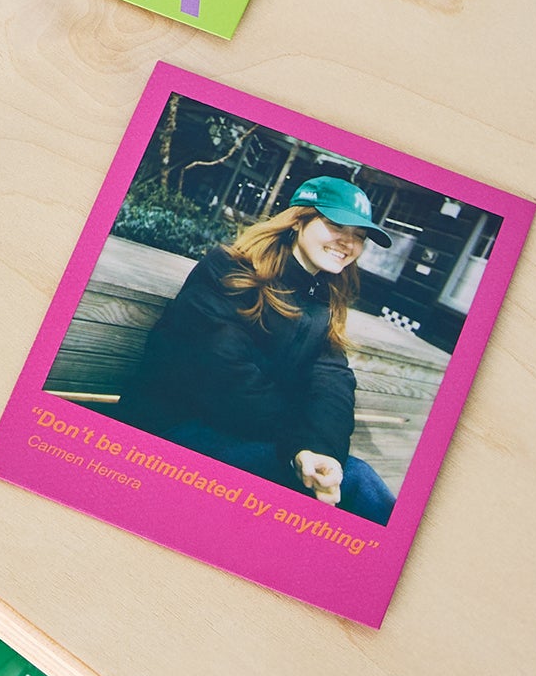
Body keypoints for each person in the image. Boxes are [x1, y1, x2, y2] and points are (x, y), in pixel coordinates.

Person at [113, 177, 399, 523]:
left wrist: (320, 450)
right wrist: (297, 444)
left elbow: (332, 381)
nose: (349, 242)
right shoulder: (228, 270)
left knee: (344, 480)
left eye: (360, 235)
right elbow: (221, 373)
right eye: (336, 225)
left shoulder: (322, 300)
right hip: (170, 429)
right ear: (298, 220)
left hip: (253, 436)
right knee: (357, 484)